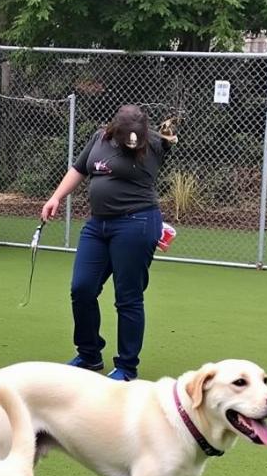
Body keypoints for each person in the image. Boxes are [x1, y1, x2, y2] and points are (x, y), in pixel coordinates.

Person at [41, 104, 176, 381]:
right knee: (82, 288)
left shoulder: (153, 143)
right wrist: (56, 197)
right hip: (98, 225)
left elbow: (169, 139)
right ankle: (90, 355)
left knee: (128, 297)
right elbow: (79, 169)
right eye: (128, 136)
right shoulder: (100, 138)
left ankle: (126, 367)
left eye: (137, 136)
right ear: (116, 128)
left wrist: (169, 134)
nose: (132, 142)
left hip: (136, 224)